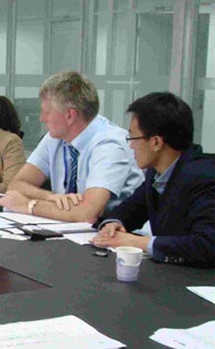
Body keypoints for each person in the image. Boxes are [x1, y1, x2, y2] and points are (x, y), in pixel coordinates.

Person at [0, 71, 142, 223]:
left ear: (70, 115)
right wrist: (52, 197)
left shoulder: (110, 145)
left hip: (114, 231)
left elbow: (87, 214)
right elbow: (16, 185)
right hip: (69, 227)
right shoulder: (54, 137)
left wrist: (29, 205)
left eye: (47, 112)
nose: (41, 118)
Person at [92, 93, 214, 267]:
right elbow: (131, 209)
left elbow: (206, 245)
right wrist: (114, 223)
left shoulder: (204, 177)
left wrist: (135, 242)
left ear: (156, 142)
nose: (131, 146)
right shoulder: (157, 172)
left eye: (133, 138)